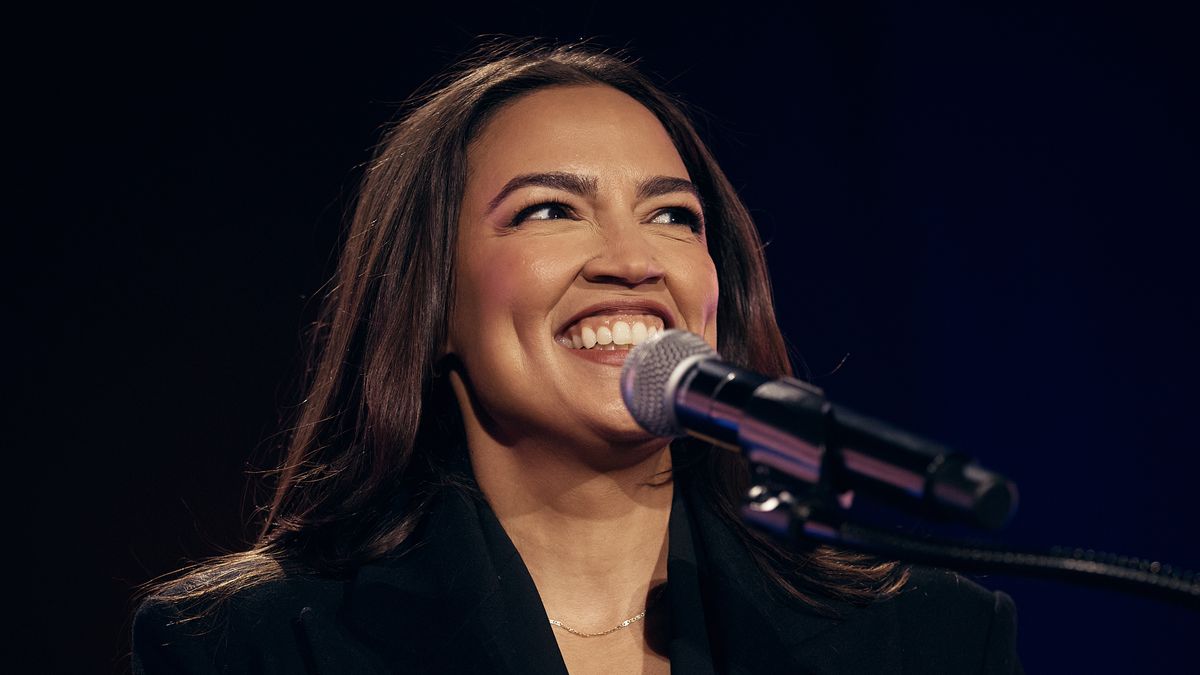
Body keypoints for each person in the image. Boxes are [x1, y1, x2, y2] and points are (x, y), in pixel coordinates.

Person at [133, 39, 1022, 674]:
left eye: (673, 216)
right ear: (433, 302)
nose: (633, 261)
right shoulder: (243, 647)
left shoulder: (928, 639)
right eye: (549, 210)